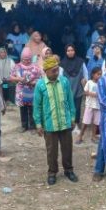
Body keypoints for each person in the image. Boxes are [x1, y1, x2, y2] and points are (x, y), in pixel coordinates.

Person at [33, 56, 78, 185]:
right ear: (46, 71)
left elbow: (70, 100)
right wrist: (38, 124)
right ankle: (52, 172)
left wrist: (73, 117)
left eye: (57, 69)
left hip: (65, 122)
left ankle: (69, 170)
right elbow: (37, 106)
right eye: (53, 70)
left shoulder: (64, 82)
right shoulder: (40, 85)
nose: (56, 72)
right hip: (49, 124)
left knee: (67, 149)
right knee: (51, 151)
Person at [9, 49, 41, 131]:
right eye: (24, 59)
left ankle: (33, 126)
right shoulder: (17, 66)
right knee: (23, 110)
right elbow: (11, 77)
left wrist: (34, 82)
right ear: (21, 58)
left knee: (32, 110)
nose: (26, 61)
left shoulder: (35, 67)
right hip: (21, 92)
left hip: (32, 91)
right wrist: (18, 78)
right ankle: (24, 126)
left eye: (28, 59)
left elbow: (40, 79)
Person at [61, 44, 87, 125]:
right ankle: (68, 123)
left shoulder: (80, 62)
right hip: (67, 89)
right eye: (68, 51)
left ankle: (76, 124)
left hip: (78, 87)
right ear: (66, 52)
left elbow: (85, 74)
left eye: (72, 50)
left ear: (75, 51)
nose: (70, 52)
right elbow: (60, 77)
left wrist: (85, 82)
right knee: (67, 107)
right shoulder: (62, 63)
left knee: (77, 107)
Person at [76, 67, 101, 144]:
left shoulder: (101, 83)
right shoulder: (89, 82)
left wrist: (97, 95)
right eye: (98, 74)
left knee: (96, 122)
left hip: (98, 106)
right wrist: (94, 94)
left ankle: (93, 136)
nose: (99, 76)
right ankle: (80, 136)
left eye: (100, 74)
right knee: (86, 122)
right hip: (89, 105)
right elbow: (85, 92)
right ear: (93, 74)